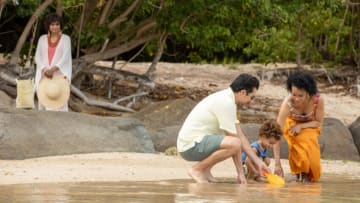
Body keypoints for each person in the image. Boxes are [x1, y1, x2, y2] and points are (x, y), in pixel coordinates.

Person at [177, 73, 271, 184]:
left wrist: (257, 163)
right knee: (234, 143)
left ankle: (205, 170)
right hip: (190, 146)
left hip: (198, 142)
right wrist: (240, 174)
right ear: (243, 92)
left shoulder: (228, 100)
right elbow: (235, 142)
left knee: (234, 142)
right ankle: (197, 170)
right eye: (251, 97)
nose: (251, 101)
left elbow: (239, 134)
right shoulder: (226, 102)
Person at [274, 71, 324, 182]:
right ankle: (296, 173)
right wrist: (277, 163)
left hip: (311, 125)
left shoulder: (318, 100)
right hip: (292, 123)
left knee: (308, 142)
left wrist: (302, 126)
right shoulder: (287, 103)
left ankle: (307, 175)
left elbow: (318, 122)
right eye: (294, 94)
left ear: (309, 93)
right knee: (296, 142)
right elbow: (276, 132)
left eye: (300, 96)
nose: (296, 99)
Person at [34, 13, 72, 111]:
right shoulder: (42, 39)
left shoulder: (66, 39)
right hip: (44, 74)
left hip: (59, 75)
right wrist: (45, 69)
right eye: (52, 24)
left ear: (60, 25)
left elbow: (65, 57)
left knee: (58, 102)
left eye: (57, 24)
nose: (55, 27)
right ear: (48, 26)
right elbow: (37, 57)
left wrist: (53, 70)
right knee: (44, 100)